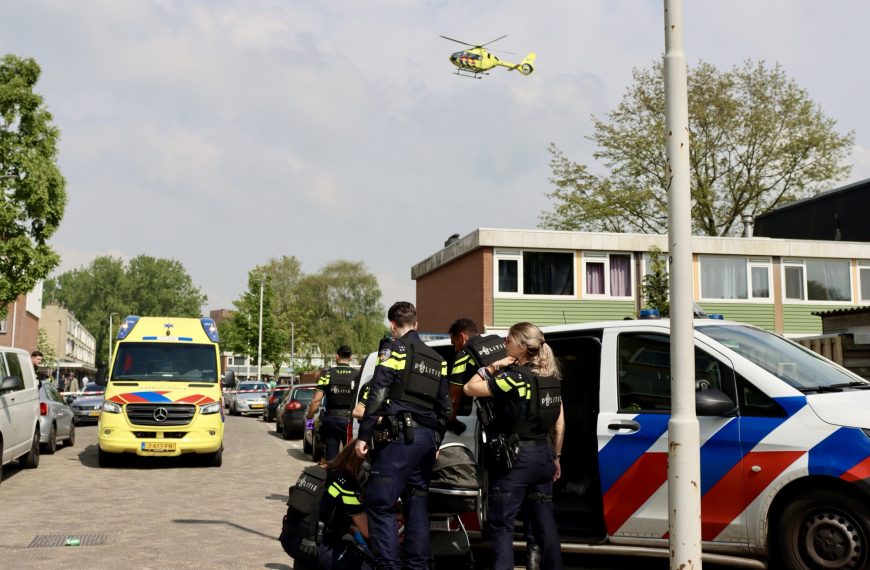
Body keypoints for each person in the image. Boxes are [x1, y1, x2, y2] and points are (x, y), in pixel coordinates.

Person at [354, 301, 450, 570]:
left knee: (380, 503)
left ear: (392, 325)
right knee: (416, 504)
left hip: (398, 441)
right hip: (426, 442)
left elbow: (378, 394)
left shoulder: (393, 351)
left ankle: (388, 566)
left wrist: (364, 436)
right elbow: (445, 408)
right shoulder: (438, 361)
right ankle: (418, 567)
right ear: (417, 324)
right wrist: (436, 443)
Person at [463, 322, 565, 570]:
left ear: (521, 345)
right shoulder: (551, 378)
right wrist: (556, 457)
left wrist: (492, 366)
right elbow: (560, 425)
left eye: (507, 340)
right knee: (545, 526)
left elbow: (469, 388)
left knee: (502, 526)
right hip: (543, 456)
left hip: (517, 460)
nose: (504, 344)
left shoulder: (516, 378)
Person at [281, 440, 374, 570]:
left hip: (291, 538)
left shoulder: (319, 470)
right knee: (366, 566)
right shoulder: (346, 485)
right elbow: (367, 531)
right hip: (314, 546)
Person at [308, 346, 356, 461]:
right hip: (350, 420)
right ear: (350, 358)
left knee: (331, 457)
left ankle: (331, 476)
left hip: (331, 420)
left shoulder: (326, 374)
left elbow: (316, 400)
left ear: (336, 357)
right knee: (349, 457)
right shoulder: (357, 375)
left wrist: (309, 420)